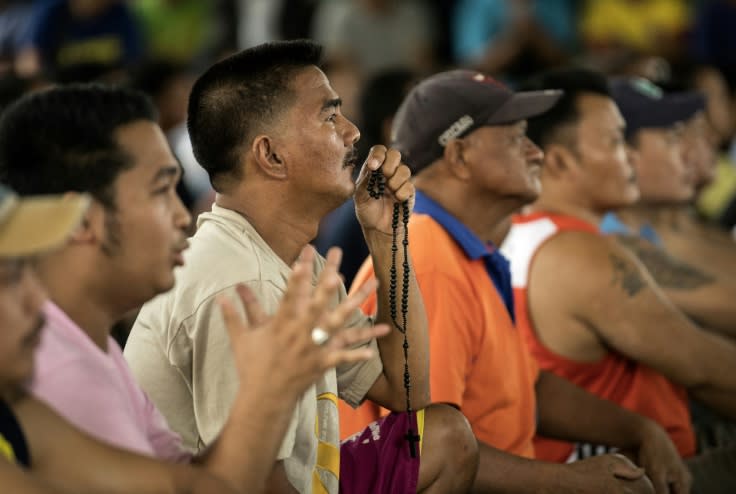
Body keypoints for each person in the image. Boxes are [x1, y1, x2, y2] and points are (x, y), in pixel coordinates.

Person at [124, 40, 479, 494]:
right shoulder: (239, 283)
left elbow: (404, 390)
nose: (352, 133)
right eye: (330, 117)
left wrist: (388, 240)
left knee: (442, 438)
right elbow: (251, 483)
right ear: (270, 155)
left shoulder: (294, 261)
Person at [0, 83, 387, 494]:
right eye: (159, 190)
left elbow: (198, 486)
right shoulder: (61, 370)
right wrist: (268, 392)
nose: (183, 216)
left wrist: (271, 387)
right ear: (82, 223)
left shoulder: (86, 355)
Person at [348, 68, 688, 493]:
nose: (537, 153)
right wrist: (570, 482)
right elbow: (426, 450)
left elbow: (530, 386)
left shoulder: (467, 247)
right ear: (458, 157)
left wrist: (639, 429)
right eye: (515, 139)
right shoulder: (429, 255)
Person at [501, 67, 736, 493]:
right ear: (559, 160)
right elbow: (702, 367)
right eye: (613, 142)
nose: (629, 158)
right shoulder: (577, 253)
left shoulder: (529, 232)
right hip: (630, 477)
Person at [0, 184, 236, 493]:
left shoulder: (20, 411)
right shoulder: (62, 370)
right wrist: (268, 394)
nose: (36, 297)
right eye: (9, 278)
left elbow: (185, 485)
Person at [595, 78, 736, 348]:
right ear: (626, 156)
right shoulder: (612, 237)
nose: (686, 154)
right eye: (673, 138)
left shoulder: (644, 229)